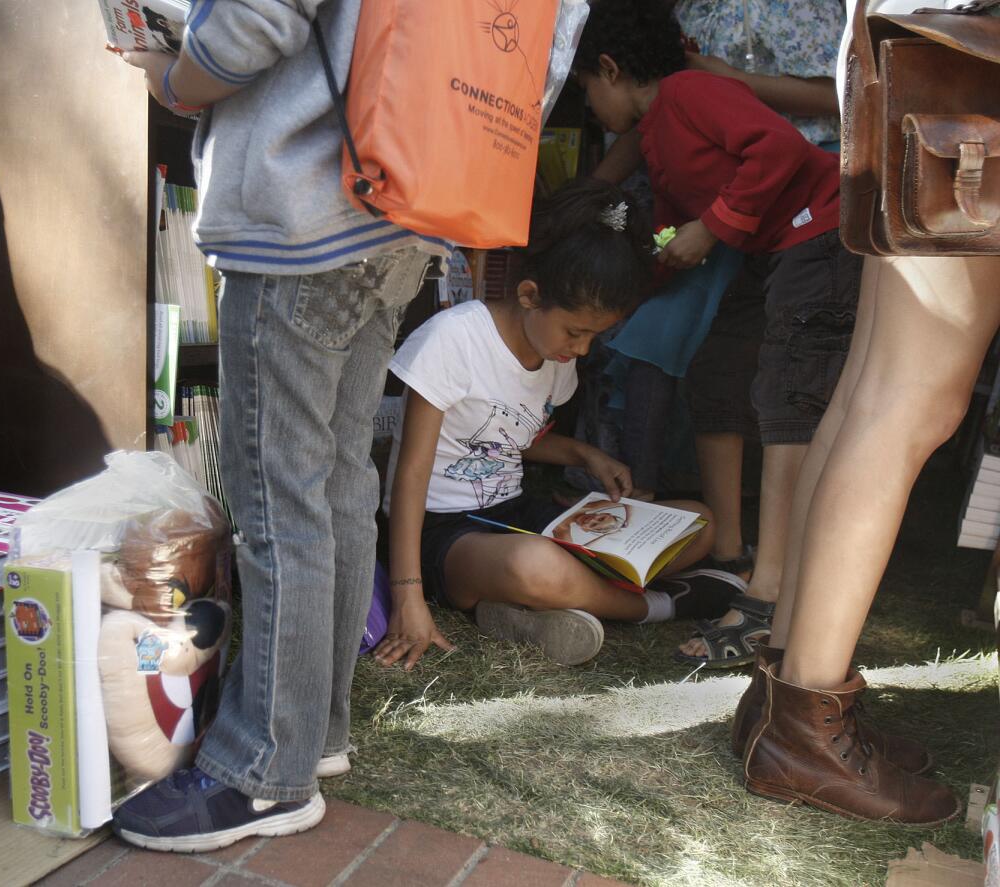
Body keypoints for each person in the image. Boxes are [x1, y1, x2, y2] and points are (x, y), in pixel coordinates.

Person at [112, 0, 447, 853]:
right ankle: (314, 730)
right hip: (411, 201)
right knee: (337, 480)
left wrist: (177, 81)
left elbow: (260, 15)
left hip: (305, 202)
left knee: (279, 497)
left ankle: (264, 771)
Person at [731, 0, 1000, 827]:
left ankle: (787, 689)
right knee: (906, 403)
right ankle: (805, 725)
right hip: (961, 64)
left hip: (922, 49)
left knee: (873, 393)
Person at [573, 0, 861, 669]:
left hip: (822, 237)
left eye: (585, 89)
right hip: (766, 251)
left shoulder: (690, 92)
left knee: (788, 403)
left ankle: (767, 602)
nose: (588, 107)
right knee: (715, 375)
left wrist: (716, 224)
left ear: (611, 70)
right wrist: (627, 287)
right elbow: (675, 234)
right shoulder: (654, 138)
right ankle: (731, 558)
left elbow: (782, 148)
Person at [375, 179, 744, 671]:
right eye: (576, 331)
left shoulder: (556, 354)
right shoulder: (453, 339)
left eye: (596, 334)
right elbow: (410, 477)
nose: (584, 348)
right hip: (439, 533)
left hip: (515, 514)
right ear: (530, 295)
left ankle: (532, 605)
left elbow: (507, 438)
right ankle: (658, 605)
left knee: (697, 523)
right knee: (534, 565)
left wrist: (584, 455)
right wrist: (407, 597)